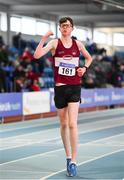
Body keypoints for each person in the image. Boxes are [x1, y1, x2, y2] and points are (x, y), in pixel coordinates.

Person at [34, 17, 92, 177]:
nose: (65, 28)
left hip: (74, 87)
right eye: (62, 26)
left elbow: (89, 57)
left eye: (67, 26)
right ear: (60, 29)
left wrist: (84, 69)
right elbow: (37, 55)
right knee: (64, 124)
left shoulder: (78, 44)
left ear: (72, 28)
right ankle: (67, 157)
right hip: (60, 89)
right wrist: (44, 38)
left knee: (73, 124)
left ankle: (74, 161)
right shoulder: (54, 43)